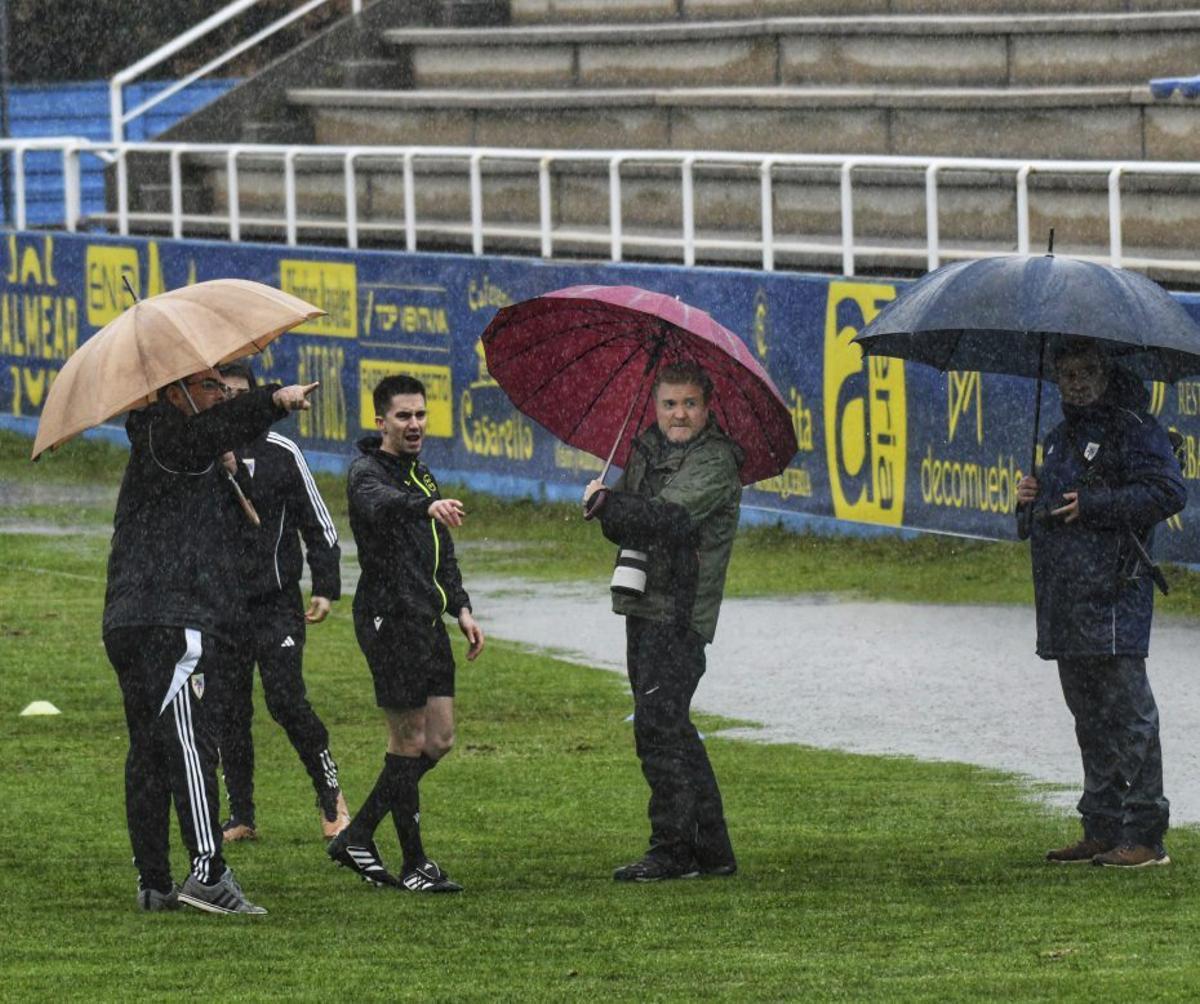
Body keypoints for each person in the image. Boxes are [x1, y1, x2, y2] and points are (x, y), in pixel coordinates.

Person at [103, 365, 317, 913]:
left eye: (225, 388)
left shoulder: (178, 445)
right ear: (176, 394)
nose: (221, 395)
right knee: (190, 744)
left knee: (148, 751)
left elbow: (243, 524)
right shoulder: (168, 432)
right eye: (210, 387)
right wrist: (276, 398)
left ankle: (154, 882)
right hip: (168, 615)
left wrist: (229, 473)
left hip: (133, 616)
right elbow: (211, 431)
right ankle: (208, 871)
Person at [1016, 338, 1186, 868]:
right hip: (1065, 598)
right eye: (1067, 375)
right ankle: (1102, 824)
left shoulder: (1135, 429)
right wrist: (1027, 503)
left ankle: (1145, 834)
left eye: (1087, 372)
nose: (1078, 383)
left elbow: (1168, 493)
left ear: (1106, 374)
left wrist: (1095, 504)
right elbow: (1041, 520)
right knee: (1087, 716)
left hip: (1115, 593)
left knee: (1129, 716)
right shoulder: (1058, 438)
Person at [582, 359, 742, 882]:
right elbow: (623, 523)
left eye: (689, 404)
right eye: (669, 404)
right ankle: (712, 850)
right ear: (654, 406)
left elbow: (666, 519)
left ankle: (672, 849)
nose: (679, 414)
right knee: (670, 726)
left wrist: (609, 505)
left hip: (679, 613)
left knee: (658, 727)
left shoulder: (717, 461)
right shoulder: (646, 448)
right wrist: (605, 503)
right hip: (642, 606)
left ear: (707, 406)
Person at [328, 373, 485, 892]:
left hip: (426, 616)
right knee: (408, 737)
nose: (415, 424)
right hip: (389, 617)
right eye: (404, 416)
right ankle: (416, 863)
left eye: (420, 414)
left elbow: (443, 552)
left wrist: (459, 606)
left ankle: (360, 832)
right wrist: (424, 506)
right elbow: (383, 504)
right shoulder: (366, 473)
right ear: (381, 422)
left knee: (438, 740)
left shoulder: (423, 475)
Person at [214, 362, 349, 844]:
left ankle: (332, 801)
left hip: (276, 605)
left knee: (286, 701)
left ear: (253, 397)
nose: (229, 399)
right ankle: (241, 815)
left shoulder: (282, 452)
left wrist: (325, 586)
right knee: (228, 709)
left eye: (238, 392)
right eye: (220, 391)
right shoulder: (200, 454)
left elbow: (319, 524)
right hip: (221, 609)